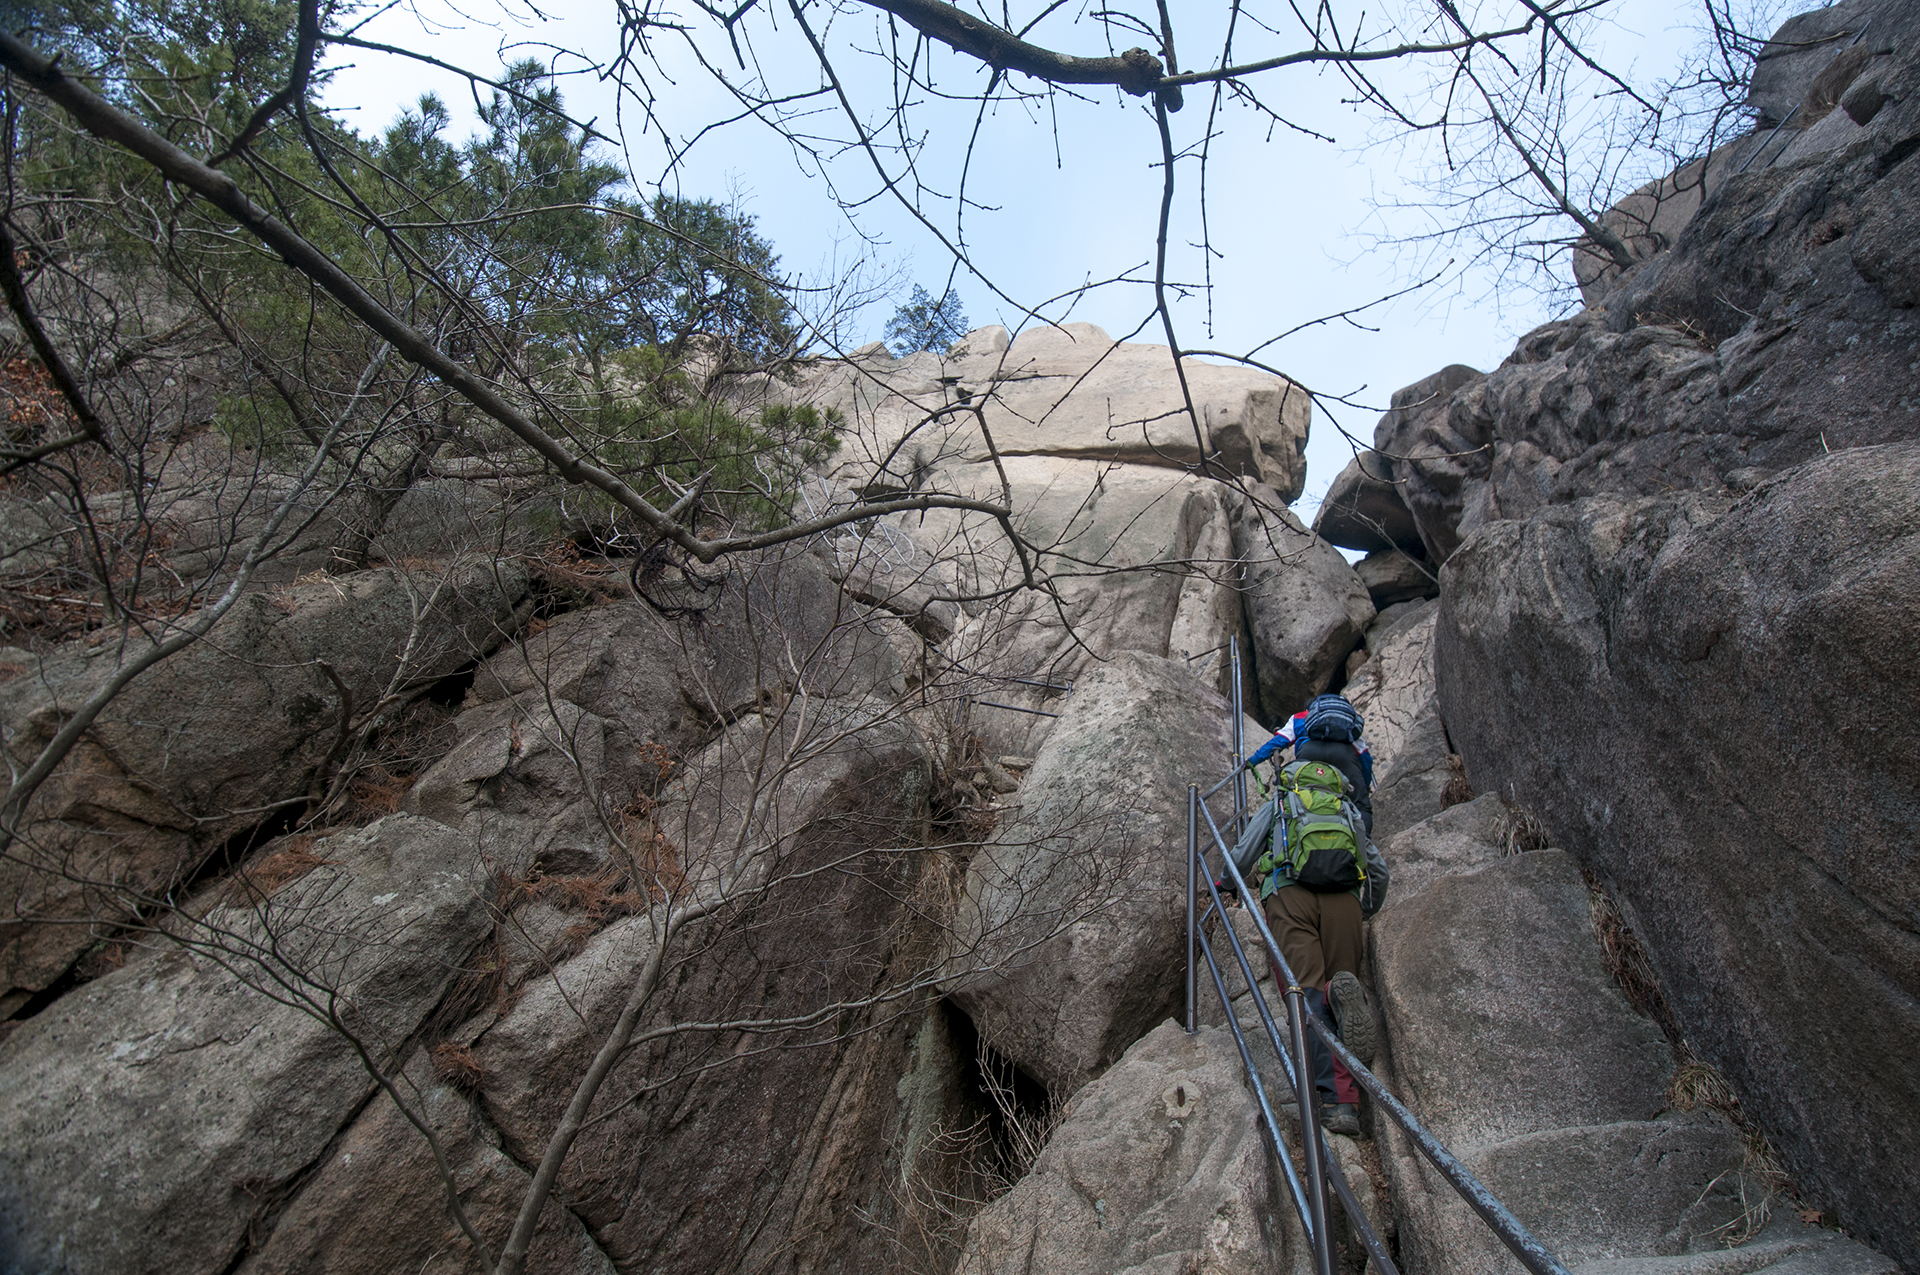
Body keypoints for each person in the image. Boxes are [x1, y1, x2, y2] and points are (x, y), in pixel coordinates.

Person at [1234, 693, 1386, 1138]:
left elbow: (1242, 854)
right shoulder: (1346, 804)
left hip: (1290, 894)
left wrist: (1225, 882)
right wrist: (1364, 906)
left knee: (1308, 996)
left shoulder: (1283, 798)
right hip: (1344, 897)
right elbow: (1378, 868)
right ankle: (1345, 1001)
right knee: (1339, 981)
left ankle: (1337, 1102)